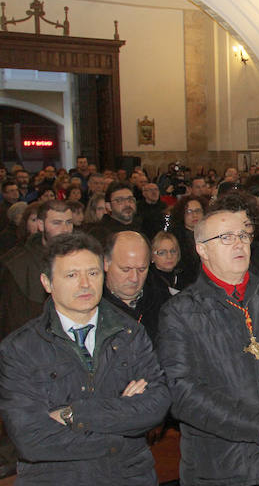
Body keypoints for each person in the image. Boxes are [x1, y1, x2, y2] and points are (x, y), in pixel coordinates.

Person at [157, 207, 259, 486]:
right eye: (226, 237)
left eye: (243, 235)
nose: (238, 243)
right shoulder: (180, 312)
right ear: (202, 250)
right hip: (222, 465)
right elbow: (183, 393)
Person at [0, 231, 170, 485]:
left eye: (93, 273)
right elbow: (31, 440)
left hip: (127, 476)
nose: (85, 284)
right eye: (71, 275)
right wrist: (120, 433)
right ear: (47, 283)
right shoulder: (20, 348)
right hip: (55, 479)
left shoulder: (129, 333)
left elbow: (156, 405)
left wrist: (73, 414)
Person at [0, 200, 74, 339]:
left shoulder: (82, 258)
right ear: (41, 225)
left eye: (69, 222)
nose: (65, 229)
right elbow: (11, 321)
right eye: (57, 223)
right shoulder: (17, 265)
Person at [102, 231, 171, 343]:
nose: (134, 278)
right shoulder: (93, 306)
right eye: (126, 269)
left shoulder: (163, 301)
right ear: (106, 263)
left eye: (142, 269)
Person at [171, 194, 207, 287]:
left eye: (198, 211)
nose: (194, 215)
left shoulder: (210, 234)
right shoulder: (175, 238)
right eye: (189, 211)